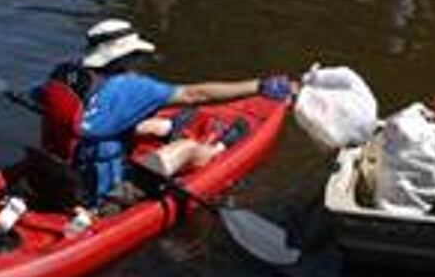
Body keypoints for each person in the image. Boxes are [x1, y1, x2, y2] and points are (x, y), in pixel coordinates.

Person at [34, 18, 293, 208]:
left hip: (53, 177)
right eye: (135, 55)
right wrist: (259, 86)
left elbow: (43, 99)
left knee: (143, 126)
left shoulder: (63, 75)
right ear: (123, 57)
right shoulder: (133, 87)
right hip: (101, 196)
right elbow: (197, 95)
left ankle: (168, 128)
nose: (137, 61)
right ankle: (218, 150)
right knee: (188, 146)